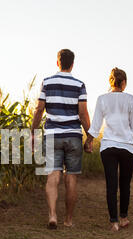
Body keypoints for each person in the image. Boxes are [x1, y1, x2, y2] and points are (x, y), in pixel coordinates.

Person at [32, 49, 91, 229]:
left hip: (52, 135)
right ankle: (68, 220)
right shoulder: (80, 85)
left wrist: (33, 130)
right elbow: (82, 113)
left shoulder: (47, 82)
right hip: (73, 135)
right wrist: (90, 136)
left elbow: (39, 109)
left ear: (57, 62)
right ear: (72, 64)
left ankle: (52, 215)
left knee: (52, 176)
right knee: (71, 179)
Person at [85, 67, 133, 232]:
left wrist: (88, 142)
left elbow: (96, 125)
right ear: (124, 83)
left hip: (108, 147)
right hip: (128, 147)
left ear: (110, 82)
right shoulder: (131, 100)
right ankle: (124, 217)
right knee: (125, 184)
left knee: (111, 185)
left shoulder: (102, 99)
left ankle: (113, 222)